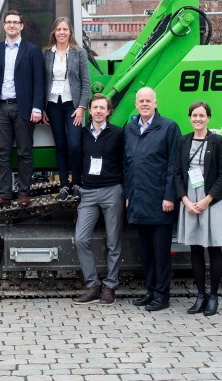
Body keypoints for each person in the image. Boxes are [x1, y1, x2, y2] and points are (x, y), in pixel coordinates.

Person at [175, 101, 222, 316]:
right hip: (190, 200)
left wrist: (207, 199)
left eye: (202, 115)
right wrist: (185, 200)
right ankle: (200, 295)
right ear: (189, 117)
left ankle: (214, 297)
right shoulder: (183, 141)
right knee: (196, 249)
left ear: (208, 117)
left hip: (212, 200)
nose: (198, 119)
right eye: (194, 115)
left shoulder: (218, 141)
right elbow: (177, 173)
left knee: (214, 248)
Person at [124, 86, 180, 311]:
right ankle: (150, 291)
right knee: (145, 252)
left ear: (156, 103)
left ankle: (162, 295)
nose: (145, 104)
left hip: (160, 201)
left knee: (160, 252)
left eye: (149, 100)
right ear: (136, 104)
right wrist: (129, 195)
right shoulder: (130, 129)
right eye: (141, 101)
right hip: (138, 200)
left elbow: (173, 165)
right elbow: (126, 166)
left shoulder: (168, 127)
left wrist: (169, 196)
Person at [0, 10, 45, 209]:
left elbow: (39, 81)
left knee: (25, 152)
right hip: (1, 108)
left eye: (15, 22)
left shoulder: (33, 50)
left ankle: (24, 193)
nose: (11, 25)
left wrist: (37, 107)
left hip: (24, 107)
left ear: (21, 26)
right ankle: (4, 195)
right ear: (4, 26)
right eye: (8, 22)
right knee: (2, 153)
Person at [73, 94, 125, 305]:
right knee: (81, 239)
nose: (99, 111)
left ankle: (110, 286)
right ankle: (93, 285)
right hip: (88, 192)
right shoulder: (82, 133)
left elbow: (125, 162)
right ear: (90, 110)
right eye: (95, 107)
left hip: (112, 190)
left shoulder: (118, 134)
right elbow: (76, 159)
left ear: (108, 111)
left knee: (113, 242)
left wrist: (125, 190)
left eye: (103, 108)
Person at [42, 16, 91, 200]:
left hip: (73, 105)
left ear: (70, 32)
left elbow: (86, 83)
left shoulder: (79, 53)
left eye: (65, 29)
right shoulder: (46, 53)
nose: (62, 32)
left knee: (75, 145)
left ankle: (77, 182)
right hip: (53, 104)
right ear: (54, 32)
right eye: (58, 29)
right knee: (60, 145)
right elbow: (43, 81)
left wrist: (81, 107)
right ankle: (64, 185)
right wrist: (43, 108)